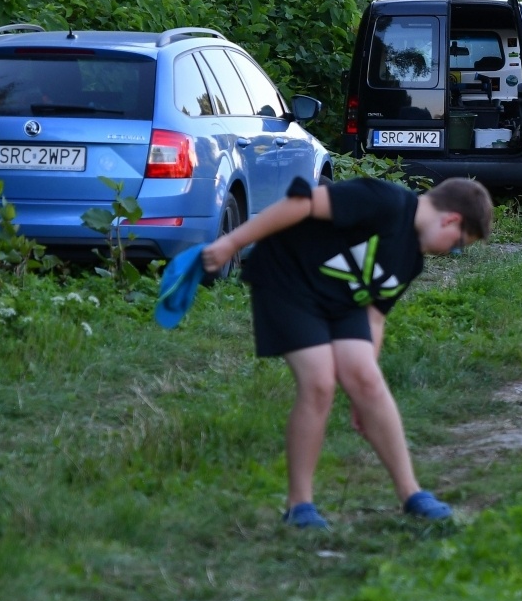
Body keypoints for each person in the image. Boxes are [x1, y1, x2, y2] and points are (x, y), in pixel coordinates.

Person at [201, 175, 494, 529]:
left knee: (369, 381)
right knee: (320, 382)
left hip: (343, 301)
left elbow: (374, 317)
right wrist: (231, 242)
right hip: (288, 282)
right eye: (459, 245)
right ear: (451, 220)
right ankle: (299, 505)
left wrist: (360, 394)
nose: (452, 252)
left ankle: (411, 494)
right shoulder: (384, 201)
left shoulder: (411, 260)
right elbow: (302, 202)